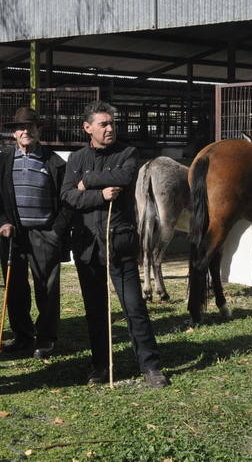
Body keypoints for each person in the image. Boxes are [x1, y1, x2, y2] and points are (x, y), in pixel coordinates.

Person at [61, 101, 169, 388]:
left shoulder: (127, 152)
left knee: (134, 308)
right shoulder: (76, 159)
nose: (110, 128)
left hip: (119, 242)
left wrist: (86, 181)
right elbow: (68, 197)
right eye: (103, 124)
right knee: (95, 312)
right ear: (87, 128)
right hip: (87, 246)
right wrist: (98, 196)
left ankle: (150, 366)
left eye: (112, 123)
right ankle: (99, 366)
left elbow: (124, 175)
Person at [0, 107, 71, 359]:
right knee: (15, 288)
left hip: (45, 233)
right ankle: (22, 337)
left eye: (30, 127)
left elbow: (66, 202)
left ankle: (46, 339)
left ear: (38, 130)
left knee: (47, 288)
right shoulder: (2, 161)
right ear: (14, 133)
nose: (25, 131)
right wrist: (1, 223)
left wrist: (56, 231)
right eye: (21, 127)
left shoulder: (55, 162)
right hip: (13, 235)